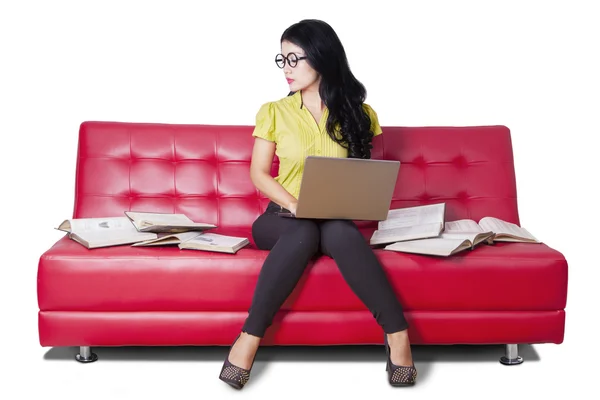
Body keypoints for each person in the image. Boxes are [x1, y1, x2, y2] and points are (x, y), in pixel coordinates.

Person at [218, 19, 417, 389]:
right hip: (280, 218)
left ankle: (398, 335)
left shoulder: (360, 112)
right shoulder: (274, 111)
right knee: (304, 229)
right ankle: (249, 336)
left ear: (322, 57)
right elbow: (259, 174)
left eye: (295, 59)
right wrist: (295, 204)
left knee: (338, 233)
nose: (287, 69)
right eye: (282, 60)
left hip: (334, 219)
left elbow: (362, 177)